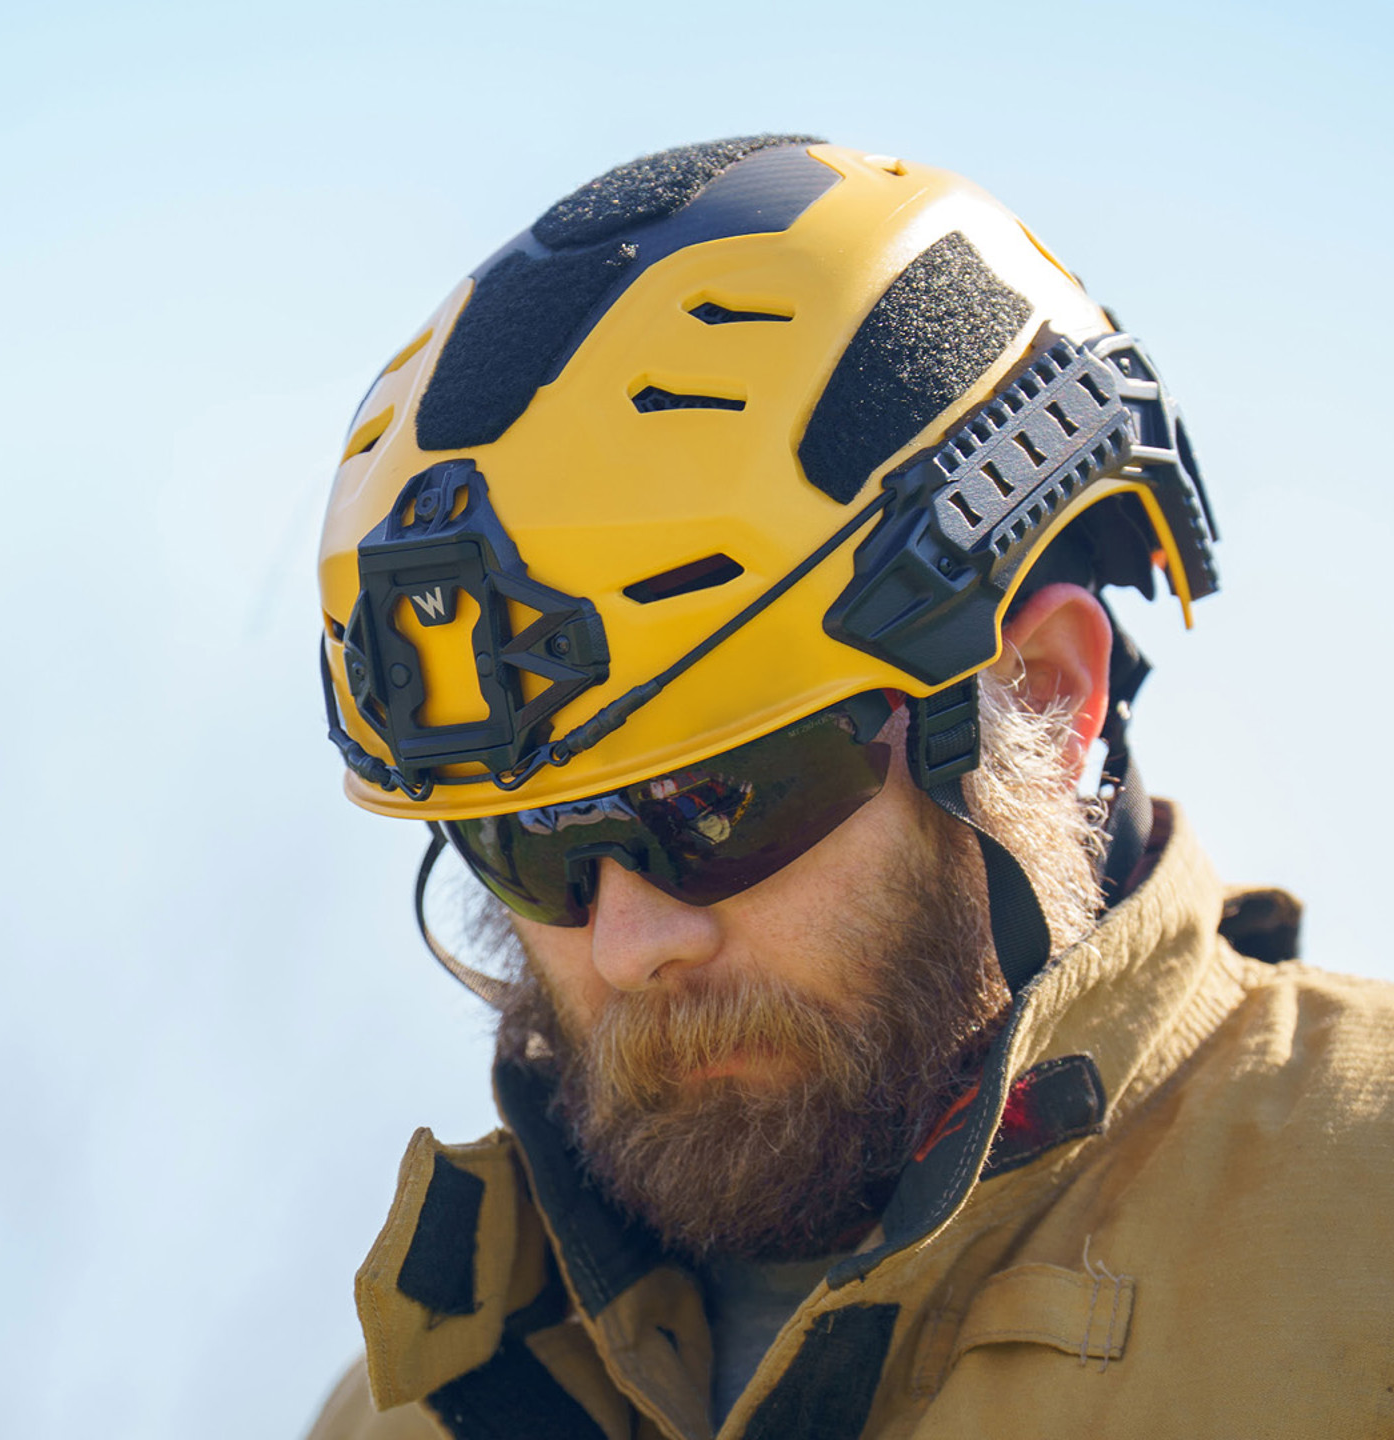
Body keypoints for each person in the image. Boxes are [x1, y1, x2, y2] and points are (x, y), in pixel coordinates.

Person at [307, 137, 1393, 1439]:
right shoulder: (403, 1410)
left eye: (717, 803)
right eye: (528, 844)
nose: (632, 944)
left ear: (1044, 698)